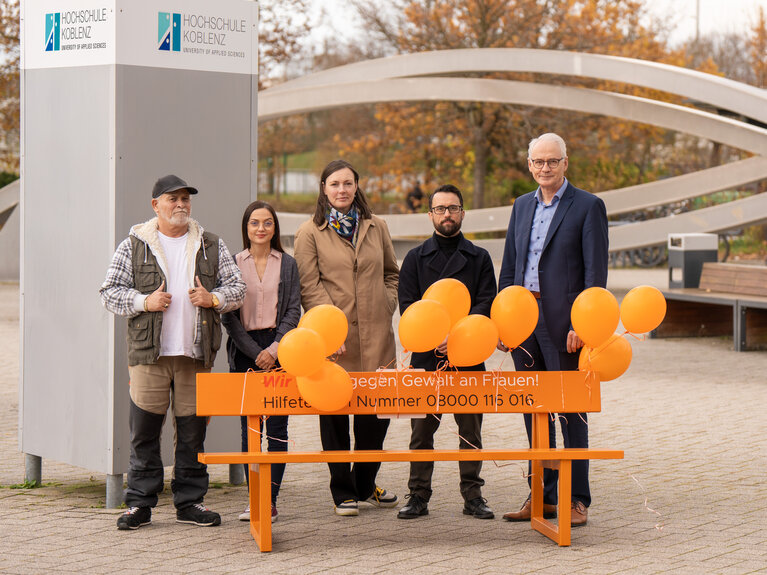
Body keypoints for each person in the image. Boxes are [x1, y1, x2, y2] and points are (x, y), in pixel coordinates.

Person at [100, 174, 246, 530]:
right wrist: (143, 301)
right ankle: (139, 504)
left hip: (195, 355)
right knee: (144, 433)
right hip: (149, 355)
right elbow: (109, 292)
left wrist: (214, 298)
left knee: (193, 433)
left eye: (185, 199)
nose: (180, 205)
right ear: (156, 205)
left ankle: (190, 502)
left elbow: (238, 288)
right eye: (172, 199)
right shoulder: (134, 244)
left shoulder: (211, 243)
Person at [497, 133, 608, 527]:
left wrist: (585, 322)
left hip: (566, 325)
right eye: (538, 162)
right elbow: (510, 266)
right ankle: (541, 494)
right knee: (532, 411)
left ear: (565, 162)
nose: (544, 168)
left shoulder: (588, 206)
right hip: (523, 320)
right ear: (529, 165)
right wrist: (502, 319)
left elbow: (595, 273)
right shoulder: (521, 205)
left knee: (570, 411)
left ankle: (577, 499)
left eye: (552, 161)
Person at [293, 159, 400, 517]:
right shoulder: (310, 232)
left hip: (376, 335)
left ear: (357, 186)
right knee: (335, 414)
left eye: (348, 183)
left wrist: (387, 303)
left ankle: (365, 483)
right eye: (335, 184)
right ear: (323, 188)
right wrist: (327, 328)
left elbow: (391, 273)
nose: (342, 190)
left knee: (375, 416)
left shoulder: (376, 226)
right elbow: (309, 285)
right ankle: (342, 490)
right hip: (334, 340)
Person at [396, 184, 498, 520]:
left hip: (468, 356)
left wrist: (457, 335)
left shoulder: (479, 258)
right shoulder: (414, 258)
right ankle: (418, 495)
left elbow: (486, 302)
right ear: (430, 215)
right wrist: (434, 334)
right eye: (440, 209)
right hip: (426, 359)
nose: (447, 215)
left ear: (462, 213)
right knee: (421, 433)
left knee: (470, 431)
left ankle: (473, 496)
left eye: (453, 208)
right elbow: (408, 306)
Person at [222, 201, 301, 525]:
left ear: (274, 228)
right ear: (247, 227)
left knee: (278, 429)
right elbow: (228, 314)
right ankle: (254, 497)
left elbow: (294, 309)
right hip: (245, 351)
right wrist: (256, 353)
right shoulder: (232, 263)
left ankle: (270, 500)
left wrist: (275, 348)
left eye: (267, 223)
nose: (261, 229)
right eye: (255, 223)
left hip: (280, 349)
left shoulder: (288, 264)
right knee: (250, 430)